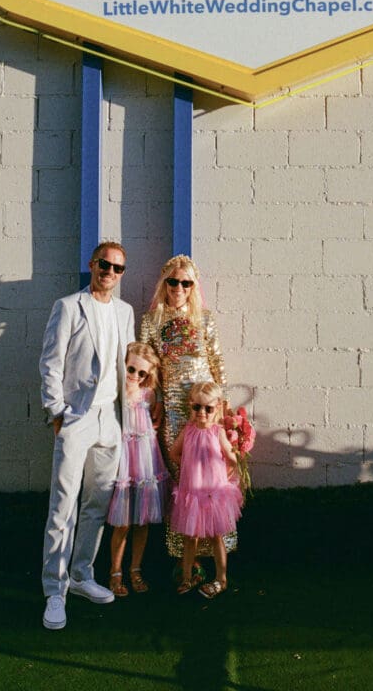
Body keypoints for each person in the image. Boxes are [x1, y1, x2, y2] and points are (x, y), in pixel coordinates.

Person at [39, 241, 134, 631]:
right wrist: (57, 414)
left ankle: (81, 575)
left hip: (111, 420)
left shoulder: (126, 312)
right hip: (76, 418)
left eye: (118, 268)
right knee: (63, 505)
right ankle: (54, 591)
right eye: (105, 265)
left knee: (98, 504)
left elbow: (127, 364)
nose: (110, 272)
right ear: (92, 265)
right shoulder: (68, 306)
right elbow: (50, 362)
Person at [139, 255, 233, 564]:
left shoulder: (203, 317)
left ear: (193, 286)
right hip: (175, 409)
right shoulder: (151, 321)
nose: (179, 287)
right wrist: (155, 402)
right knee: (183, 478)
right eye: (173, 281)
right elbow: (147, 368)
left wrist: (224, 403)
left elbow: (216, 361)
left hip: (206, 407)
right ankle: (183, 557)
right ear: (164, 283)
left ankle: (214, 552)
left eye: (186, 283)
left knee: (211, 473)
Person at [107, 342, 169, 597]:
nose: (134, 376)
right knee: (122, 523)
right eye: (131, 369)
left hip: (145, 462)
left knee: (142, 520)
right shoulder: (116, 391)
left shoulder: (148, 395)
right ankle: (115, 571)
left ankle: (136, 568)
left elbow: (155, 411)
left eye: (141, 373)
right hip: (124, 460)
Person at [170, 381, 243, 599]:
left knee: (215, 536)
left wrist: (227, 474)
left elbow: (232, 458)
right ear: (191, 406)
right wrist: (188, 468)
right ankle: (187, 576)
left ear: (217, 407)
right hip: (192, 493)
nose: (202, 412)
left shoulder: (217, 432)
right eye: (197, 407)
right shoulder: (188, 430)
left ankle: (221, 578)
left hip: (212, 494)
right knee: (189, 538)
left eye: (208, 408)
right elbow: (174, 453)